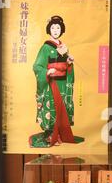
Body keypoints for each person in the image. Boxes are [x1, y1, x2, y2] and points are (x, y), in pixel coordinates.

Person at [30, 15, 84, 148]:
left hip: (63, 83)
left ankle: (59, 133)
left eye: (58, 28)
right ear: (49, 30)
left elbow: (66, 67)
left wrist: (69, 62)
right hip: (51, 82)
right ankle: (50, 134)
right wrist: (47, 72)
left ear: (61, 30)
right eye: (53, 27)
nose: (55, 30)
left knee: (62, 107)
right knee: (52, 107)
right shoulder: (46, 47)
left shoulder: (63, 47)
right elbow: (37, 66)